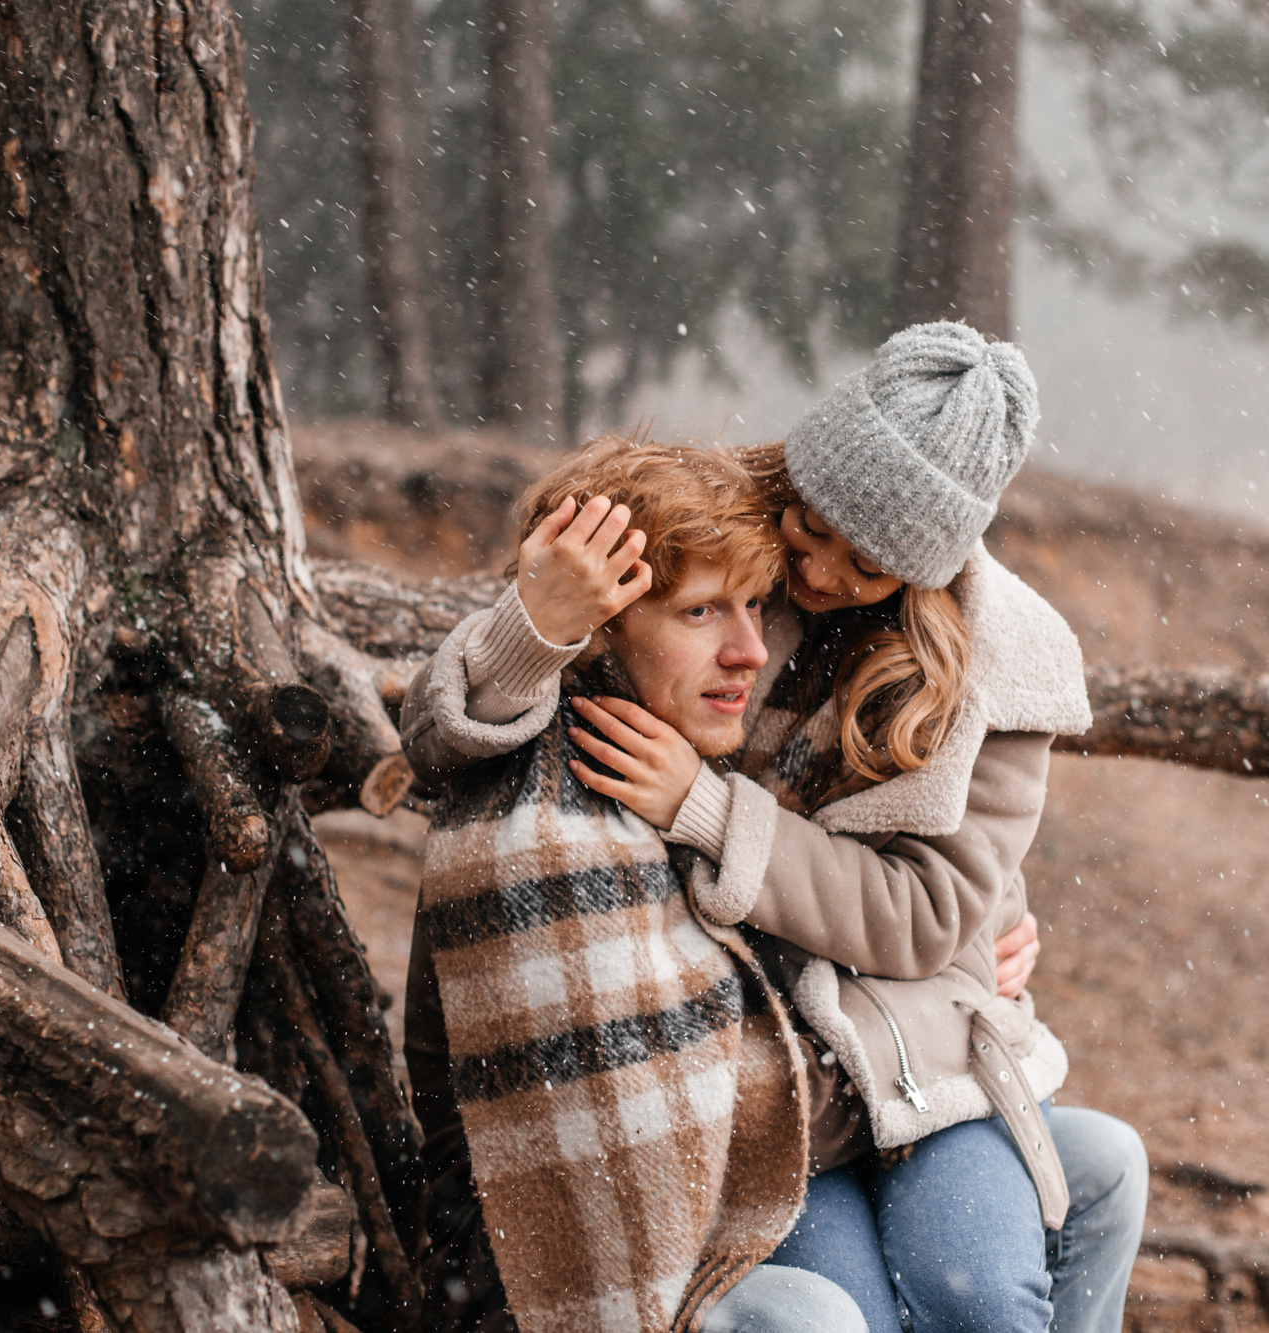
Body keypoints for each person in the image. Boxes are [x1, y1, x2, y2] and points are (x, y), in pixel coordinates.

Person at [407, 324, 1146, 1333]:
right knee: (843, 1310)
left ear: (930, 566)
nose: (824, 573)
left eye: (870, 560)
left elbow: (933, 912)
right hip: (769, 1050)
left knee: (971, 1296)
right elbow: (462, 731)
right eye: (815, 527)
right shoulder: (717, 531)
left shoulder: (999, 670)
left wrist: (707, 810)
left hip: (912, 1028)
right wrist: (536, 621)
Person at [402, 439, 865, 1333]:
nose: (748, 650)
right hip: (520, 1263)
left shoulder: (683, 771)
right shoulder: (545, 821)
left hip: (659, 1220)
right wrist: (922, 1068)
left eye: (755, 606)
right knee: (813, 1319)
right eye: (700, 613)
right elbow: (722, 1109)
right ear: (598, 624)